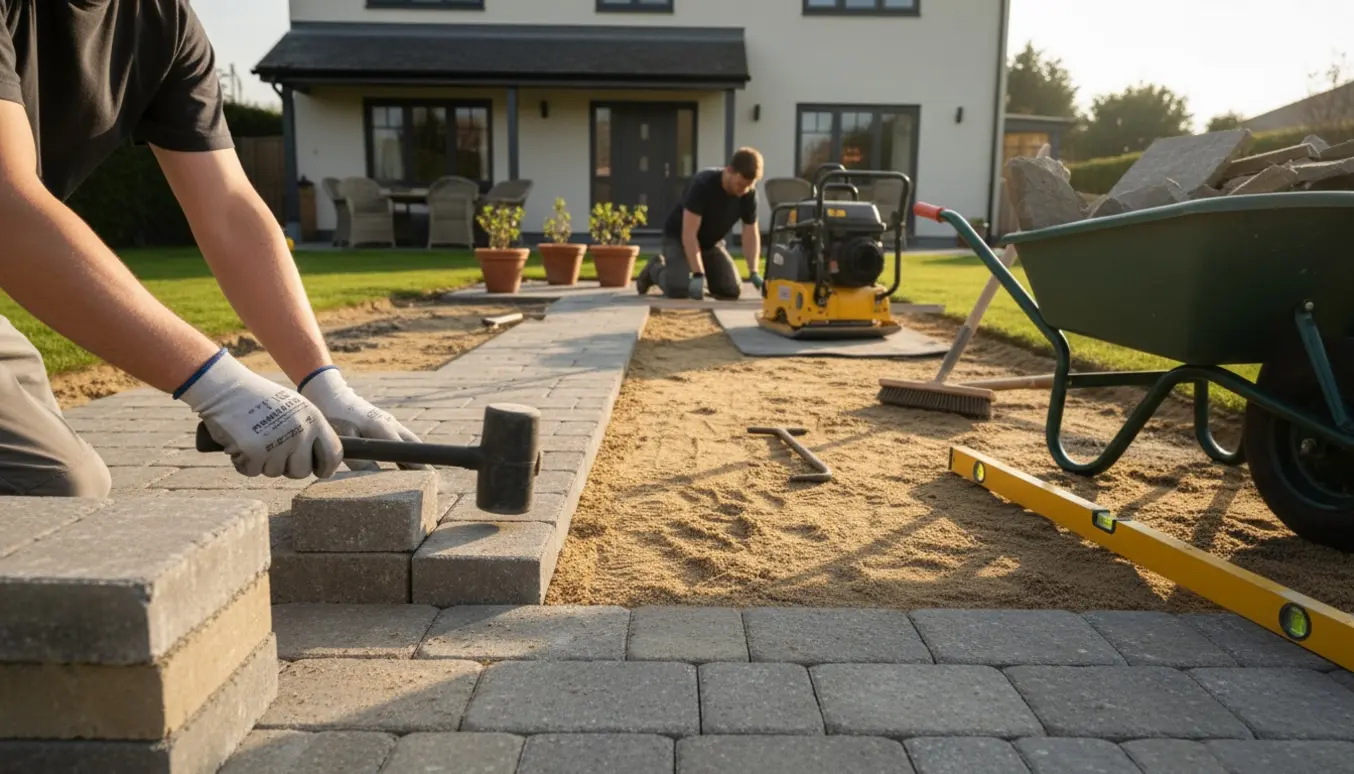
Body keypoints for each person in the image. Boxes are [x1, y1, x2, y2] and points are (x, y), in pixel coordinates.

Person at [0, 0, 426, 498]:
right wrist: (219, 386)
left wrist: (325, 386)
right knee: (55, 483)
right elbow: (7, 206)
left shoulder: (162, 20)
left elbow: (228, 209)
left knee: (52, 486)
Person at [636, 147, 765, 300]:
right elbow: (689, 234)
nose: (743, 191)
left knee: (730, 289)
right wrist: (698, 273)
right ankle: (654, 269)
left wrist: (754, 271)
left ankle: (701, 278)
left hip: (710, 244)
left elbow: (750, 234)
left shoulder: (749, 195)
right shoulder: (703, 185)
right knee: (679, 289)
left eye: (748, 186)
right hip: (678, 238)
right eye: (740, 184)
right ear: (730, 170)